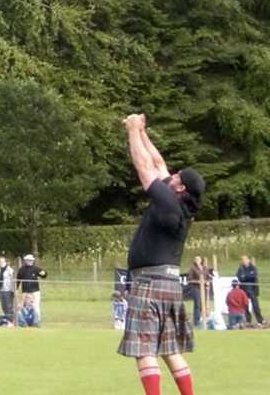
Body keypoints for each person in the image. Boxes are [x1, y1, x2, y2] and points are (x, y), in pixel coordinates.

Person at [118, 114, 205, 395]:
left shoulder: (168, 201)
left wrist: (132, 131)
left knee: (144, 350)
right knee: (170, 350)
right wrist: (143, 132)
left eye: (177, 176)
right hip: (169, 285)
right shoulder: (180, 205)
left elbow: (145, 167)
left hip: (149, 283)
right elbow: (158, 163)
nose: (172, 174)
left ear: (180, 188)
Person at [236, 255, 263, 325]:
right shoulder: (240, 268)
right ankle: (248, 320)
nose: (244, 261)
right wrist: (247, 277)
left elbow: (254, 276)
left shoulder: (253, 267)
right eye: (242, 260)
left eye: (245, 259)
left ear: (248, 260)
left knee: (255, 306)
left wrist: (245, 276)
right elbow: (239, 277)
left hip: (253, 289)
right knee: (245, 306)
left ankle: (260, 320)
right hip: (244, 289)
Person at [185, 256, 205, 328]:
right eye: (196, 259)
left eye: (199, 259)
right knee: (197, 305)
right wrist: (197, 281)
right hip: (195, 288)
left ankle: (202, 319)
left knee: (203, 305)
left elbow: (207, 275)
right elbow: (189, 279)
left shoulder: (204, 267)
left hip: (203, 288)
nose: (198, 261)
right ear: (194, 260)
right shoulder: (192, 268)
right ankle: (197, 321)